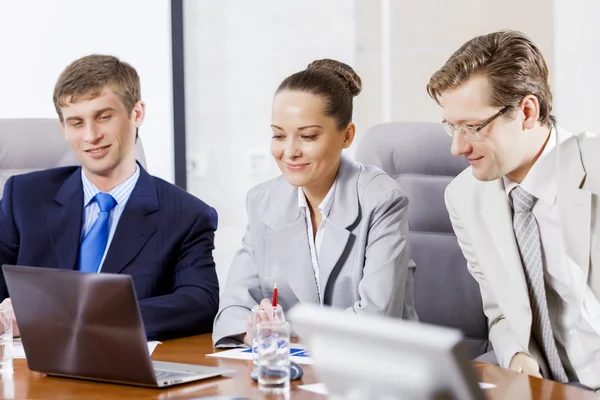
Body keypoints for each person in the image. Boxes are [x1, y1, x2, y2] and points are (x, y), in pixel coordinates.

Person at [0, 54, 219, 340]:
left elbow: (200, 303)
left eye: (103, 117)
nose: (90, 136)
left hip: (120, 370)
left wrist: (68, 317)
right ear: (63, 128)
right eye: (76, 123)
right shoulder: (24, 197)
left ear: (136, 113)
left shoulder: (187, 215)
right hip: (29, 371)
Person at [427, 30, 600, 389]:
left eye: (473, 127)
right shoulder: (464, 197)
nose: (457, 148)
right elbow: (500, 311)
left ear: (526, 111)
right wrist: (517, 356)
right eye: (451, 127)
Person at [213, 59, 417, 346]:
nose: (290, 151)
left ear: (347, 135)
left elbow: (376, 318)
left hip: (373, 370)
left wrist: (279, 332)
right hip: (292, 374)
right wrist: (255, 332)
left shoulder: (381, 199)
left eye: (308, 136)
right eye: (278, 135)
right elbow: (232, 310)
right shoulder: (263, 201)